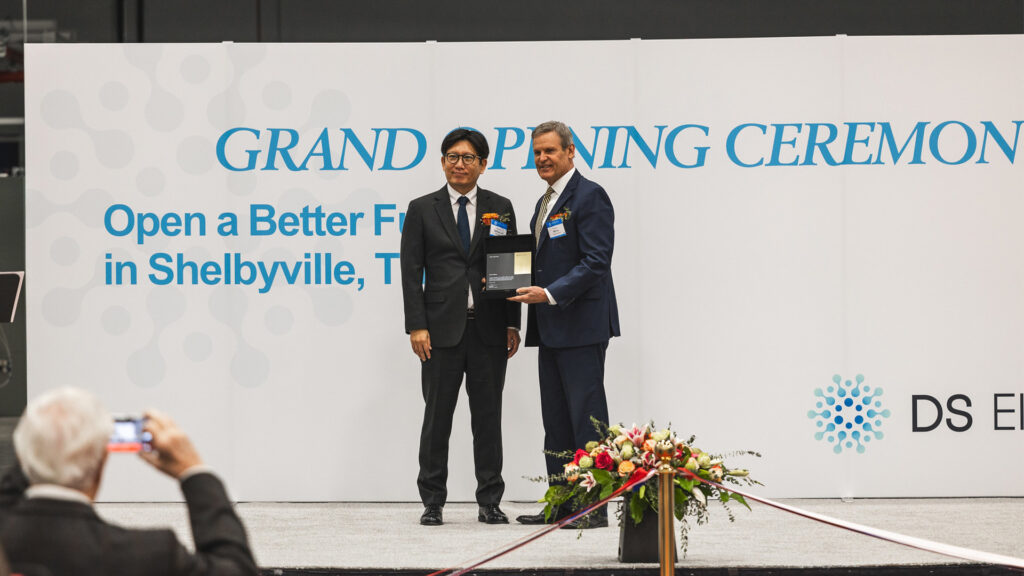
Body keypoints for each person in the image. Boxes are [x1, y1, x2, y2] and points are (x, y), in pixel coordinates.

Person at [0, 387, 257, 576]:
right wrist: (193, 469)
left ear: (23, 454)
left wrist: (44, 447)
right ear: (101, 464)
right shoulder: (150, 555)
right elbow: (236, 569)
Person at [400, 128, 521, 526]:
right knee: (437, 419)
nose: (459, 164)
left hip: (488, 329)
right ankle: (432, 500)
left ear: (483, 164)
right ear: (442, 162)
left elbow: (510, 267)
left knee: (488, 418)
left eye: (468, 158)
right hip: (439, 332)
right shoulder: (422, 208)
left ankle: (489, 500)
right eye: (452, 156)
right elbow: (410, 271)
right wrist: (416, 326)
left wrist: (511, 323)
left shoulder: (500, 206)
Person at [509, 120, 620, 529]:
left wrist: (549, 293)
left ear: (571, 152)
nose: (542, 158)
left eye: (550, 151)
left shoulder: (590, 196)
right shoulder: (544, 202)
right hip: (550, 327)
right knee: (555, 421)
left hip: (581, 326)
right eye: (537, 152)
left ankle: (592, 508)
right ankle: (561, 504)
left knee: (586, 420)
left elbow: (596, 262)